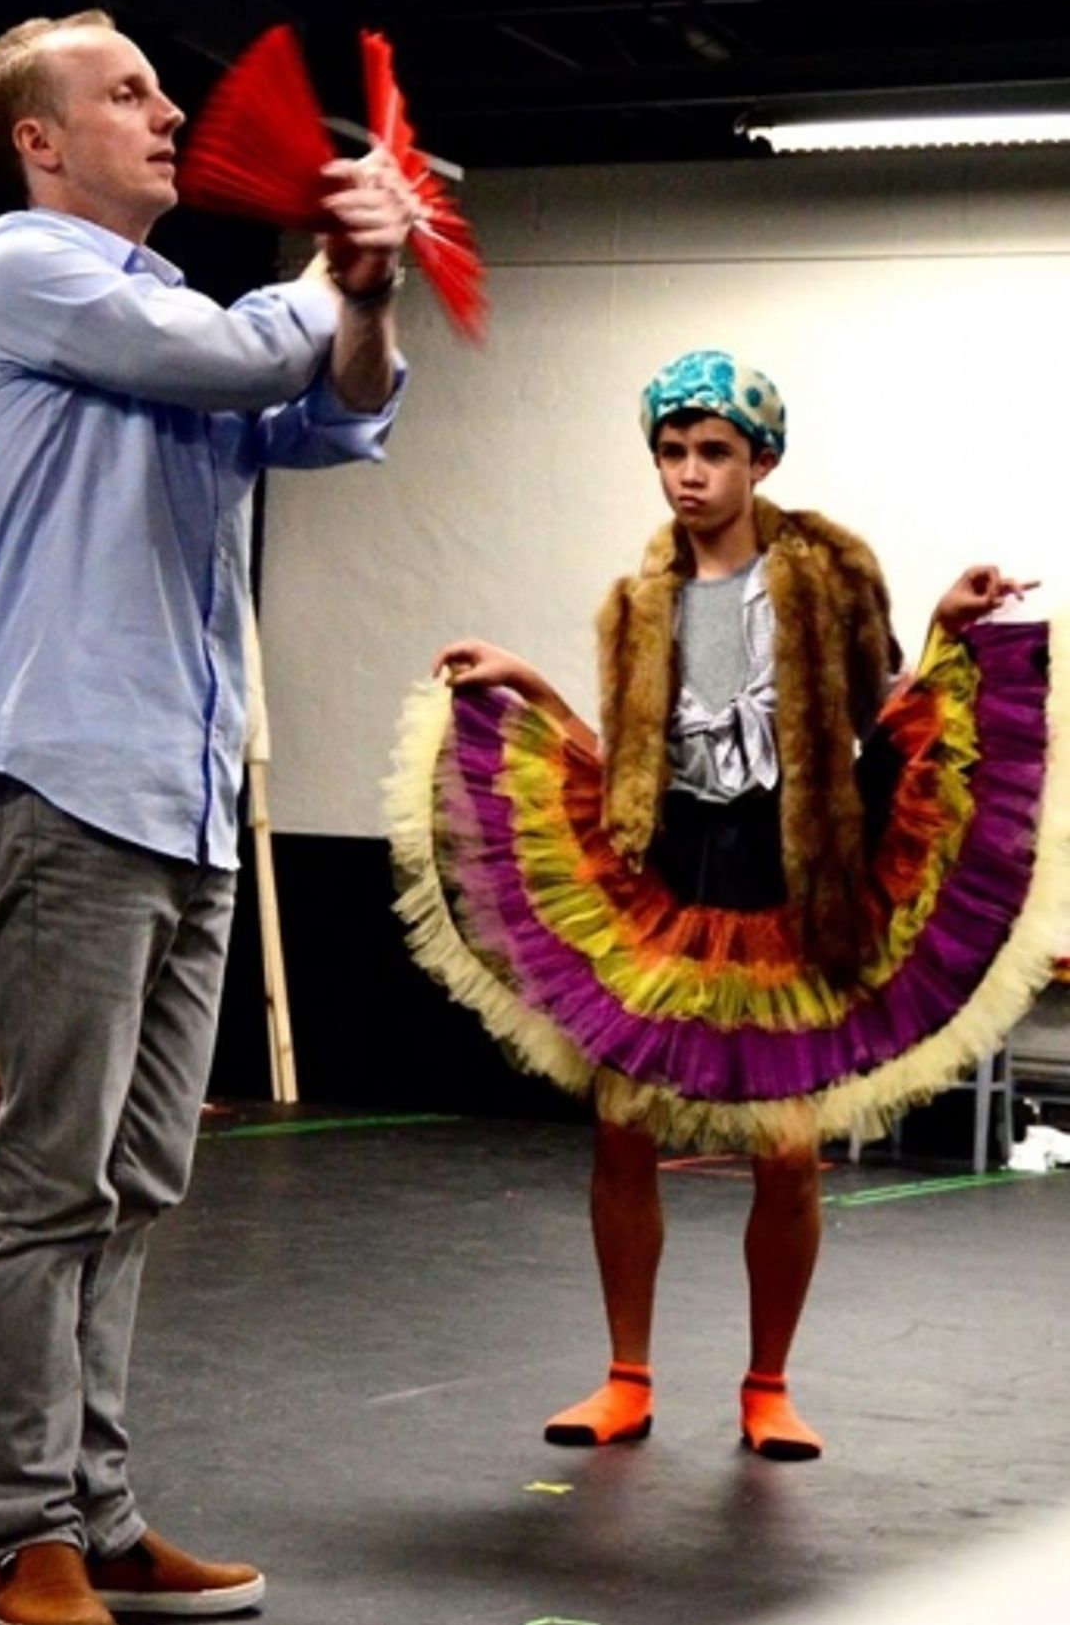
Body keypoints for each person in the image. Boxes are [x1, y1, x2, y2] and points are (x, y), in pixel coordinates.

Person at [0, 9, 413, 1625]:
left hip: (185, 789)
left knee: (136, 1176)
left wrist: (369, 291)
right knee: (50, 1175)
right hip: (70, 774)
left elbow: (340, 409)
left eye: (161, 89)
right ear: (40, 141)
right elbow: (242, 360)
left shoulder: (173, 310)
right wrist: (337, 263)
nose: (168, 113)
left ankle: (100, 1510)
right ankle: (21, 1529)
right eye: (127, 92)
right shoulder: (23, 269)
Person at [402, 347, 1051, 1465]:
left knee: (787, 1150)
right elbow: (633, 756)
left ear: (761, 461)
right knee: (621, 1130)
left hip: (788, 881)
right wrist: (532, 683)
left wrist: (949, 630)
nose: (688, 473)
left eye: (712, 451)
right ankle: (625, 1375)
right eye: (671, 451)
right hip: (674, 882)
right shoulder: (642, 603)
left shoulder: (826, 581)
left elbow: (882, 711)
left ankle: (767, 1384)